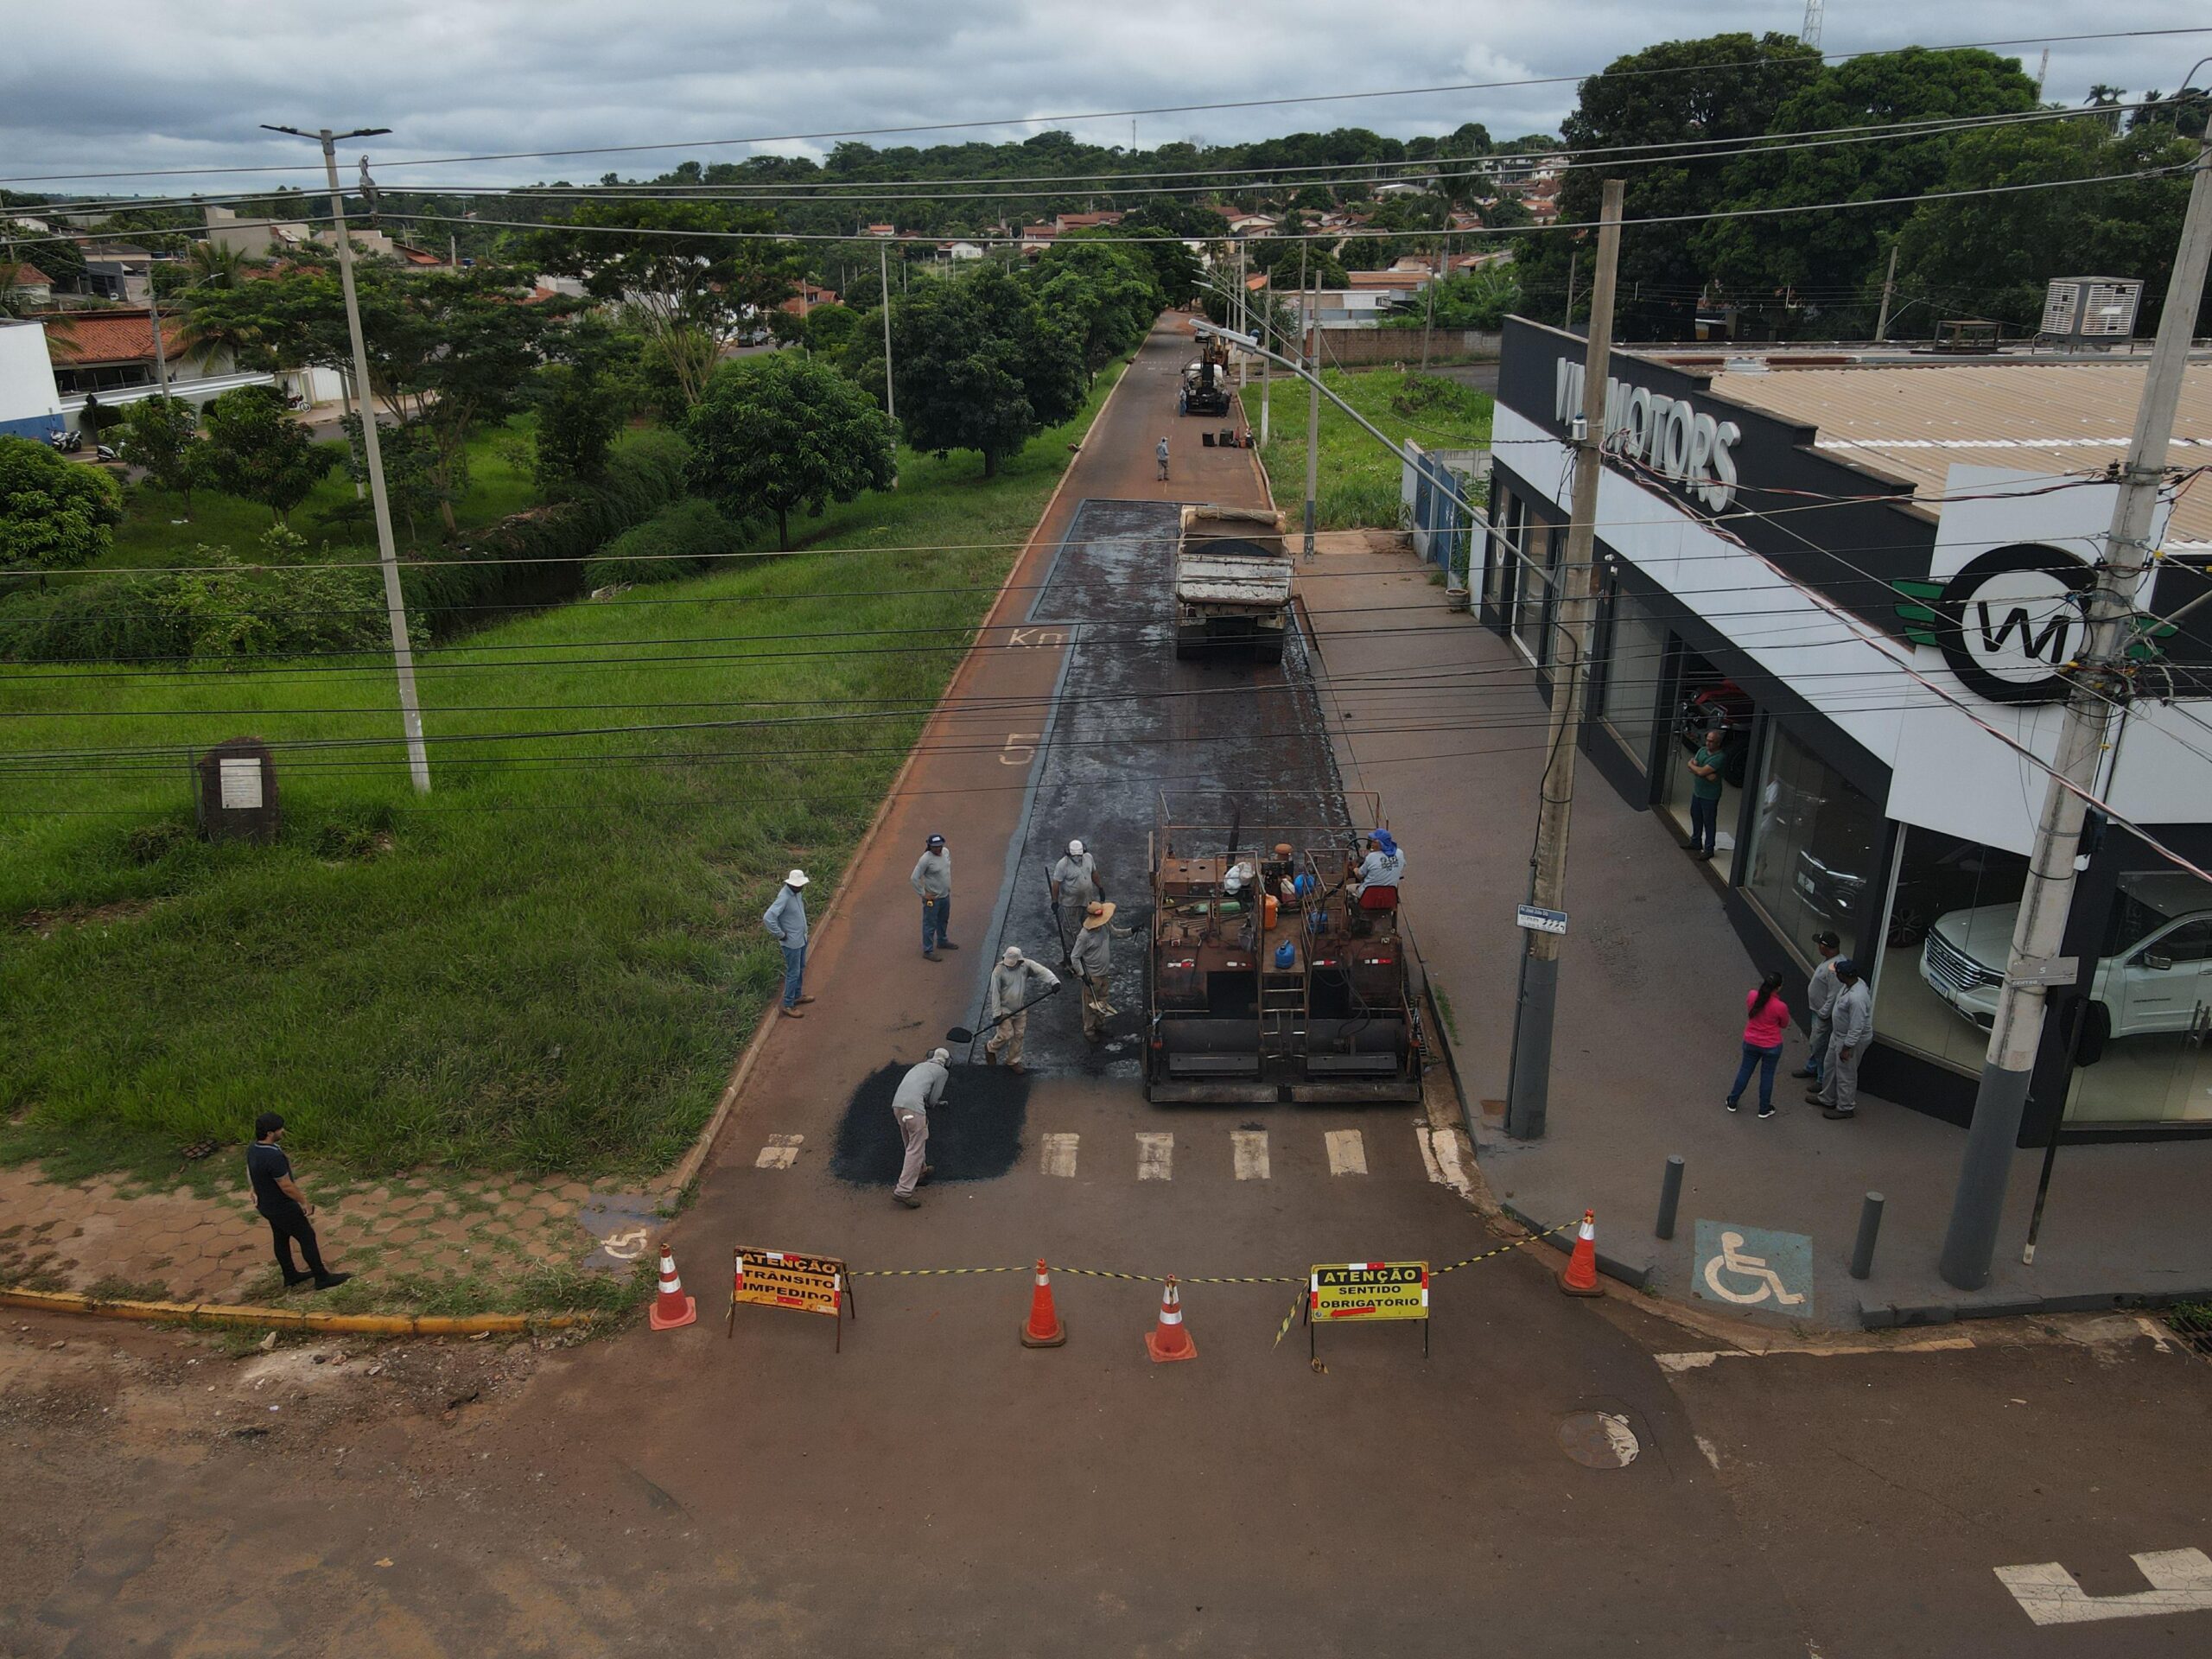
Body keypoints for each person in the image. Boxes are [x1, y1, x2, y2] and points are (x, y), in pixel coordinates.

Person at [245, 1113, 350, 1292]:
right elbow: (286, 1186)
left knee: (281, 1237)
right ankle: (322, 1277)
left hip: (266, 1205)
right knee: (306, 1236)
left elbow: (250, 1169)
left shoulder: (253, 1148)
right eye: (280, 1129)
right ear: (270, 1133)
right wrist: (304, 1202)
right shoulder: (273, 1157)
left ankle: (290, 1275)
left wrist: (253, 1188)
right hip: (282, 1206)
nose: (283, 1131)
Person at [1810, 958, 1872, 1119]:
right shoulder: (1849, 985)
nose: (1835, 974)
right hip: (1838, 1035)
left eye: (1837, 972)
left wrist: (1847, 1048)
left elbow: (1856, 1027)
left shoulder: (1857, 997)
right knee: (1830, 1065)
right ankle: (1827, 1098)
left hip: (1849, 1040)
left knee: (1846, 1073)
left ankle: (1845, 1107)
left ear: (1843, 976)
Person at [888, 1047, 950, 1210]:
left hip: (898, 1106)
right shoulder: (942, 1072)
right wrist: (936, 1103)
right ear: (947, 1062)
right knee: (915, 1148)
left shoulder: (918, 1067)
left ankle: (921, 1170)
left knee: (910, 1141)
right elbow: (933, 1099)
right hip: (914, 1110)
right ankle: (903, 1191)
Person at [1726, 971, 1791, 1119]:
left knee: (1745, 1070)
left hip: (1751, 1041)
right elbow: (1784, 1023)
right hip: (1772, 1046)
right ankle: (1764, 1108)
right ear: (1779, 988)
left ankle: (1733, 1100)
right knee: (1767, 1076)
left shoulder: (1752, 996)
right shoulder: (1780, 1006)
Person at [985, 946, 1059, 1072]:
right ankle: (990, 1048)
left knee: (1019, 1035)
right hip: (1004, 1010)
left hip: (1020, 1008)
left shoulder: (1026, 965)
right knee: (1006, 1035)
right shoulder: (998, 971)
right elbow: (995, 994)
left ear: (1019, 961)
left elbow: (1042, 971)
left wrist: (1054, 982)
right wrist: (997, 1014)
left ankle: (1012, 1061)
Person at [762, 868, 813, 1018]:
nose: (802, 887)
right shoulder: (784, 897)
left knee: (801, 967)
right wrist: (780, 934)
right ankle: (788, 1004)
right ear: (792, 884)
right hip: (791, 942)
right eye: (799, 885)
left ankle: (797, 995)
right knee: (793, 972)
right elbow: (768, 917)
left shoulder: (797, 893)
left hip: (801, 938)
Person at [1792, 931, 1842, 1081]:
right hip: (1818, 1011)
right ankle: (1812, 1068)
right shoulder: (1829, 961)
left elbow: (1834, 995)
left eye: (1820, 944)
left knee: (1818, 1045)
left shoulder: (1834, 967)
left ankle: (1821, 1079)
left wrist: (1823, 1014)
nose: (1818, 947)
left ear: (1825, 947)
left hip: (1823, 1015)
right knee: (1817, 1044)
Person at [1070, 899, 1116, 1042]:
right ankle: (1089, 1030)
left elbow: (1116, 933)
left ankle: (1100, 1024)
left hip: (1104, 973)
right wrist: (1083, 976)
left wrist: (1131, 931)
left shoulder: (1105, 926)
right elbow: (1075, 957)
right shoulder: (1084, 936)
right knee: (1091, 1004)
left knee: (1103, 1001)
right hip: (1093, 976)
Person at [911, 833, 955, 961]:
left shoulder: (946, 852)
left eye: (940, 846)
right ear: (929, 846)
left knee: (943, 920)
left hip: (945, 895)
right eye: (935, 847)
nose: (938, 849)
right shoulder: (926, 859)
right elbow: (914, 878)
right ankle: (928, 950)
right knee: (930, 924)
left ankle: (942, 940)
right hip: (933, 899)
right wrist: (923, 894)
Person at [1684, 728, 1726, 861]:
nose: (1708, 743)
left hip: (1710, 795)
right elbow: (1695, 768)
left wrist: (1698, 770)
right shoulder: (1702, 751)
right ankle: (1695, 841)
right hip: (1698, 792)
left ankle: (1709, 848)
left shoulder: (1719, 757)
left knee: (1709, 821)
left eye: (1712, 742)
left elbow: (1699, 770)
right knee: (1695, 815)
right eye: (1707, 740)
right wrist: (1701, 771)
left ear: (1718, 743)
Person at [1050, 838, 1103, 934]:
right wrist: (1055, 901)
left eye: (1079, 855)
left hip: (1087, 901)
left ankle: (1087, 947)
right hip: (1071, 905)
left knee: (1089, 927)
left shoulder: (1089, 858)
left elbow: (1094, 873)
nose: (1077, 857)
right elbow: (1056, 884)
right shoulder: (1062, 865)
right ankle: (1073, 949)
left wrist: (1100, 887)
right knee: (1072, 931)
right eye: (1075, 855)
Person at [1347, 829, 1407, 898]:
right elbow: (1402, 865)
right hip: (1389, 896)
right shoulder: (1399, 853)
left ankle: (1350, 907)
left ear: (1380, 843)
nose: (1372, 844)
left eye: (1374, 842)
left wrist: (1355, 869)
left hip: (1368, 896)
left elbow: (1360, 875)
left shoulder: (1371, 857)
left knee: (1347, 888)